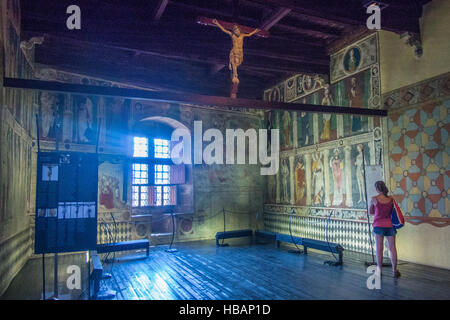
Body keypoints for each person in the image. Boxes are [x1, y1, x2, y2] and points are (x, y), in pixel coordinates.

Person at [369, 181, 401, 278]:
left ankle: (379, 271)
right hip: (390, 225)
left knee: (379, 248)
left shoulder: (374, 199)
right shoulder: (391, 198)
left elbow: (371, 212)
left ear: (377, 189)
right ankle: (394, 270)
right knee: (392, 248)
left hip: (378, 225)